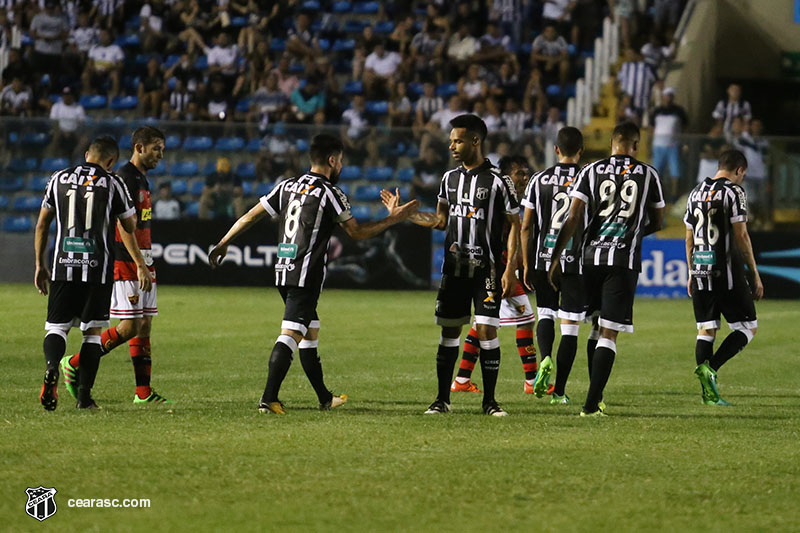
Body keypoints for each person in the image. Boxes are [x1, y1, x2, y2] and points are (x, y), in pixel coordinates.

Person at [208, 134, 418, 414]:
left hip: (283, 269)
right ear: (332, 160)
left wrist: (223, 242)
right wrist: (394, 218)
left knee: (310, 330)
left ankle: (324, 398)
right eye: (340, 161)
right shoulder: (330, 193)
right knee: (291, 334)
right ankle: (268, 398)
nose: (341, 166)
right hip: (305, 274)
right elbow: (356, 232)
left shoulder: (287, 186)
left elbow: (251, 215)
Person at [393, 114, 521, 417]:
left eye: (458, 140)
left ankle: (490, 401)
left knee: (488, 330)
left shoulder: (499, 182)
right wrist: (406, 215)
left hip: (486, 270)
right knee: (449, 331)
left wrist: (509, 267)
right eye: (451, 140)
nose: (451, 145)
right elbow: (439, 220)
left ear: (475, 141)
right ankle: (441, 399)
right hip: (454, 269)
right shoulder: (449, 179)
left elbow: (515, 224)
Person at [548, 122, 665, 417]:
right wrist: (634, 232)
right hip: (623, 261)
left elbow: (573, 217)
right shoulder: (649, 175)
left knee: (577, 325)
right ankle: (591, 402)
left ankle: (563, 390)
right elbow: (659, 221)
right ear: (636, 146)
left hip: (589, 258)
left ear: (612, 143)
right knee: (607, 333)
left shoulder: (590, 171)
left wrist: (556, 257)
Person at [34, 136, 152, 410]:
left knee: (57, 327)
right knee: (92, 333)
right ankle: (84, 398)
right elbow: (130, 225)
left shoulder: (58, 178)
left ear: (87, 154)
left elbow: (42, 225)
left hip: (63, 264)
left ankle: (52, 366)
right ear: (111, 161)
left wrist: (40, 264)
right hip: (98, 269)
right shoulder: (114, 182)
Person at [60, 127, 170, 405]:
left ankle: (143, 392)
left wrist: (146, 262)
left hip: (143, 260)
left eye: (162, 149)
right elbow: (122, 228)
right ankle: (73, 362)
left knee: (144, 325)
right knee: (130, 326)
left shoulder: (142, 179)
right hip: (125, 260)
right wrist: (139, 264)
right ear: (139, 147)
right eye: (156, 148)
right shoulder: (124, 178)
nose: (160, 154)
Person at [450, 155, 538, 396]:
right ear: (507, 176)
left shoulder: (508, 199)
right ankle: (530, 380)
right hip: (497, 271)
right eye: (520, 173)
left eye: (526, 173)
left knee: (483, 322)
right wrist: (511, 267)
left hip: (500, 269)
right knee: (522, 320)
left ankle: (461, 379)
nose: (525, 178)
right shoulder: (499, 198)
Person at [684, 149, 763, 405]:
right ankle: (713, 368)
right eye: (743, 175)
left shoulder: (695, 192)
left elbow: (688, 238)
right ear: (739, 170)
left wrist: (690, 272)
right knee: (748, 327)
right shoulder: (734, 192)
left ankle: (707, 393)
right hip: (725, 271)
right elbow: (741, 235)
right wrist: (754, 273)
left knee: (706, 329)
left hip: (700, 269)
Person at [520, 127, 586, 404]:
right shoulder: (589, 178)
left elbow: (526, 226)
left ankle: (544, 358)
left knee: (545, 313)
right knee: (569, 326)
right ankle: (559, 390)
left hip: (542, 257)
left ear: (556, 150)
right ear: (580, 151)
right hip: (575, 261)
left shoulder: (538, 179)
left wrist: (525, 264)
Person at [650, 87, 687, 203]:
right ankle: (657, 194)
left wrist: (682, 141)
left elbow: (685, 126)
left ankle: (674, 195)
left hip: (673, 145)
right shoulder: (656, 111)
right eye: (666, 96)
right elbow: (652, 128)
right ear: (663, 97)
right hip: (658, 146)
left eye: (670, 96)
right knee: (657, 171)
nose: (668, 98)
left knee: (675, 171)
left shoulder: (679, 111)